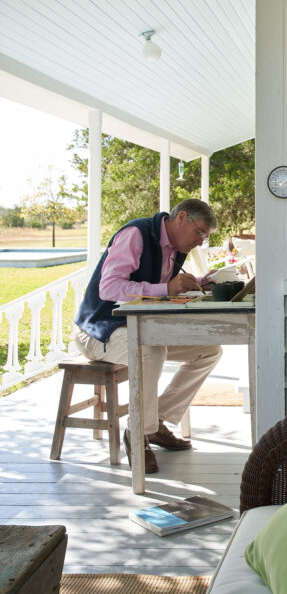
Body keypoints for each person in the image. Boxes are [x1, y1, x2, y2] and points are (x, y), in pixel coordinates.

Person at [73, 199, 222, 474]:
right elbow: (109, 288)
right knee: (151, 350)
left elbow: (163, 285)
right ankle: (138, 432)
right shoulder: (136, 234)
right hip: (98, 330)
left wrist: (200, 283)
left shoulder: (176, 248)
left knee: (209, 350)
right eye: (199, 233)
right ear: (182, 218)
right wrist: (165, 288)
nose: (201, 242)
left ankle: (156, 421)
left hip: (141, 329)